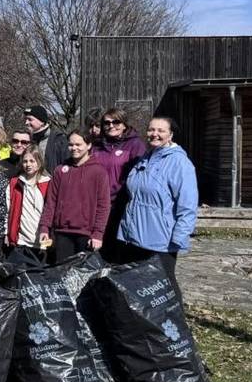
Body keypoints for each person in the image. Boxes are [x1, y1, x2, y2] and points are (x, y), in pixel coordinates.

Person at [118, 116, 199, 281]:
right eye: (151, 129)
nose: (155, 134)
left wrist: (179, 238)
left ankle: (176, 308)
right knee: (139, 286)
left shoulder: (179, 163)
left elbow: (188, 205)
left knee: (163, 287)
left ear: (171, 135)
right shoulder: (146, 158)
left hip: (162, 240)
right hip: (134, 235)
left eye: (161, 130)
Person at [37, 130, 111, 264]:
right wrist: (44, 227)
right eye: (71, 145)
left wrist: (98, 234)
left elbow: (103, 206)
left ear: (88, 145)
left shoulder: (99, 172)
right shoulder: (60, 170)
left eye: (78, 144)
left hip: (86, 235)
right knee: (63, 274)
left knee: (84, 277)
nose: (74, 148)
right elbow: (51, 202)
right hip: (62, 233)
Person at [93, 107, 148, 257]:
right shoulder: (96, 146)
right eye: (107, 123)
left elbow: (140, 176)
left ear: (124, 124)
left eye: (116, 122)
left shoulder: (135, 145)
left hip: (121, 204)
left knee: (116, 247)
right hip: (97, 203)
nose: (111, 126)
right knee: (98, 246)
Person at [7, 148, 51, 254]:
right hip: (21, 241)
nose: (28, 164)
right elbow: (8, 210)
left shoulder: (49, 183)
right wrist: (8, 234)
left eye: (32, 161)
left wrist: (47, 244)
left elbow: (51, 212)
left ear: (40, 162)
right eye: (25, 161)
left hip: (42, 242)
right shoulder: (15, 183)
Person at [23, 104, 70, 172]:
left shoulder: (59, 141)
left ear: (42, 121)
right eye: (25, 119)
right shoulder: (27, 140)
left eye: (30, 119)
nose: (26, 122)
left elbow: (66, 168)